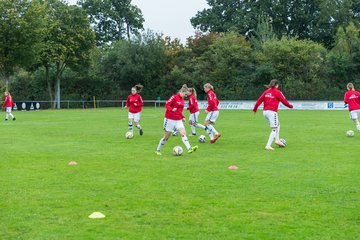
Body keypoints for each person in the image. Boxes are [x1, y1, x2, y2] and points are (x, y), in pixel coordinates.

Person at [155, 84, 198, 155]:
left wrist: (182, 116)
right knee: (166, 137)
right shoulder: (174, 97)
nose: (186, 96)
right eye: (185, 94)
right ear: (182, 92)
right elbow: (167, 105)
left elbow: (179, 111)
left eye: (187, 95)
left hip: (178, 119)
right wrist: (172, 109)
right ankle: (158, 150)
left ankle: (189, 148)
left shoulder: (182, 100)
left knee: (183, 133)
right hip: (169, 119)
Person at [253, 79, 293, 150]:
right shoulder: (278, 92)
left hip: (265, 112)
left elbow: (259, 100)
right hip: (272, 112)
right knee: (274, 129)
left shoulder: (266, 92)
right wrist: (290, 106)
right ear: (277, 85)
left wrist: (255, 109)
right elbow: (284, 101)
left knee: (277, 124)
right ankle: (268, 146)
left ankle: (277, 140)